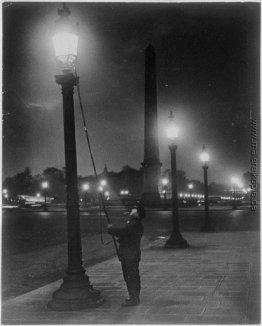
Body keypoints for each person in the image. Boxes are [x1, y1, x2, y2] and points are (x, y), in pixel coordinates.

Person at [107, 202, 145, 307]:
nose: (131, 210)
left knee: (130, 276)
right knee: (131, 276)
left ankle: (134, 298)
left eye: (134, 209)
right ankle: (133, 297)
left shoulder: (134, 223)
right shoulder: (134, 223)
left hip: (130, 254)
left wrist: (111, 229)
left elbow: (123, 231)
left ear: (137, 213)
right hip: (130, 253)